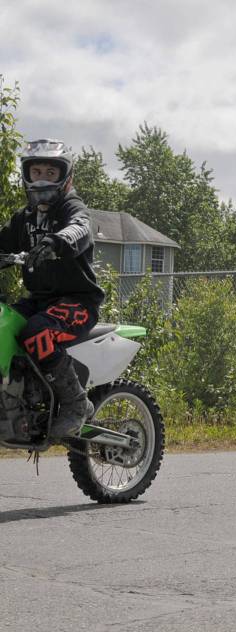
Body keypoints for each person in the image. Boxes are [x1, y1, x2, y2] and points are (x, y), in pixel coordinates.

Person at [0, 140, 104, 438]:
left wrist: (56, 242)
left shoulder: (72, 207)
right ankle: (19, 400)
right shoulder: (24, 218)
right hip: (39, 301)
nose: (42, 178)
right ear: (26, 175)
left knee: (37, 331)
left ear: (65, 176)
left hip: (78, 303)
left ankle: (75, 403)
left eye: (50, 171)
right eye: (36, 171)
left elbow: (80, 227)